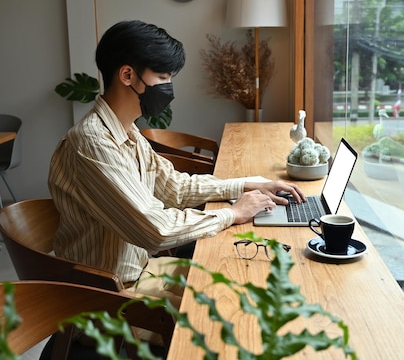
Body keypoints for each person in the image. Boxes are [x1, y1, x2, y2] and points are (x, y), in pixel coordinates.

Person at [48, 20, 305, 307]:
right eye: (162, 77)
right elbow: (156, 230)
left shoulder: (127, 132)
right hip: (112, 295)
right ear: (128, 75)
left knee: (249, 279)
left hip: (144, 273)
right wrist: (233, 214)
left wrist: (248, 185)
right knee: (239, 304)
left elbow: (175, 188)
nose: (169, 87)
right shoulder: (92, 143)